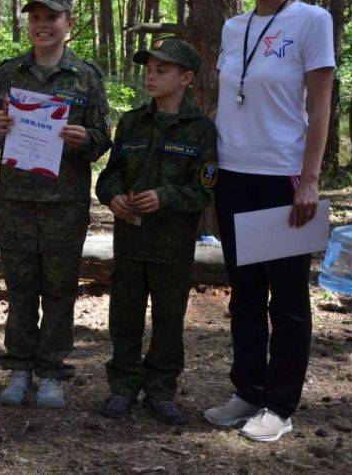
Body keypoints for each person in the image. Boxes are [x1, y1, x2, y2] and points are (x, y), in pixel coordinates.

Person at [203, 0, 335, 443]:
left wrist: (310, 178)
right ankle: (248, 391)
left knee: (287, 300)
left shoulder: (311, 21)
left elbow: (319, 105)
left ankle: (279, 405)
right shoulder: (234, 27)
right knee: (246, 294)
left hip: (283, 178)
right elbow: (229, 98)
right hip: (234, 175)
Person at [0, 0, 111, 408]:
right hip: (17, 201)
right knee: (19, 290)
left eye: (51, 17)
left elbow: (102, 137)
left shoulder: (86, 75)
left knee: (59, 291)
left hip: (64, 204)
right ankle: (19, 369)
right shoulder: (7, 73)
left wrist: (82, 138)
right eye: (35, 17)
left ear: (68, 24)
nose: (42, 25)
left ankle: (51, 371)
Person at [95, 38, 217, 425]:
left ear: (186, 78)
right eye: (148, 69)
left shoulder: (200, 130)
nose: (151, 76)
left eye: (161, 70)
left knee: (168, 319)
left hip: (172, 247)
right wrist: (112, 197)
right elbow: (110, 176)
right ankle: (123, 387)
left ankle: (161, 390)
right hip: (129, 241)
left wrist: (164, 196)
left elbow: (205, 189)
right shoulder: (132, 121)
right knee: (124, 316)